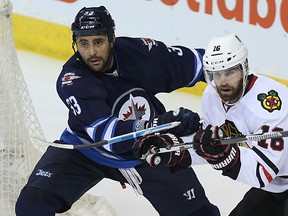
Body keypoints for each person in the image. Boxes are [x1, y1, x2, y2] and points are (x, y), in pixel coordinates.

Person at [15, 6, 221, 216]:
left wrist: (239, 87)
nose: (92, 52)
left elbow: (203, 64)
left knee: (200, 214)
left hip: (149, 149)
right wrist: (158, 124)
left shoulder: (140, 53)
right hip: (87, 150)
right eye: (83, 44)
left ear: (112, 39)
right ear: (75, 44)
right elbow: (109, 137)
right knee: (31, 206)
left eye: (98, 42)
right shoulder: (73, 81)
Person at [134, 33, 288, 216]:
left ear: (245, 67)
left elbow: (262, 172)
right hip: (275, 188)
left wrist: (224, 157)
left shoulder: (270, 103)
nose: (222, 82)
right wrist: (173, 149)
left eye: (230, 72)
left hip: (272, 178)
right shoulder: (212, 96)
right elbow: (207, 145)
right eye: (216, 73)